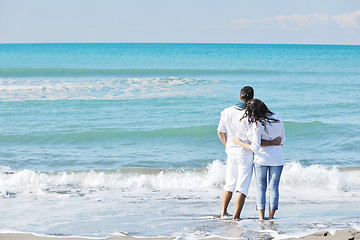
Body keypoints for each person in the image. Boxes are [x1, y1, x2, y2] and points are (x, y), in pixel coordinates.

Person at [217, 87, 280, 220]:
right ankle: (236, 216)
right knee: (242, 186)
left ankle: (223, 213)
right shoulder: (250, 114)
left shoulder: (226, 112)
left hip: (231, 151)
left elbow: (220, 132)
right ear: (252, 98)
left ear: (239, 96)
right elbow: (255, 142)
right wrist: (274, 142)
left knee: (229, 182)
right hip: (245, 152)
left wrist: (228, 145)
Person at [233, 99, 285, 220]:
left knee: (261, 188)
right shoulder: (278, 117)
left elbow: (254, 147)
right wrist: (273, 142)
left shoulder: (257, 123)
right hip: (277, 158)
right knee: (274, 188)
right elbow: (281, 141)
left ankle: (261, 218)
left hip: (261, 159)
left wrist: (240, 142)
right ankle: (271, 217)